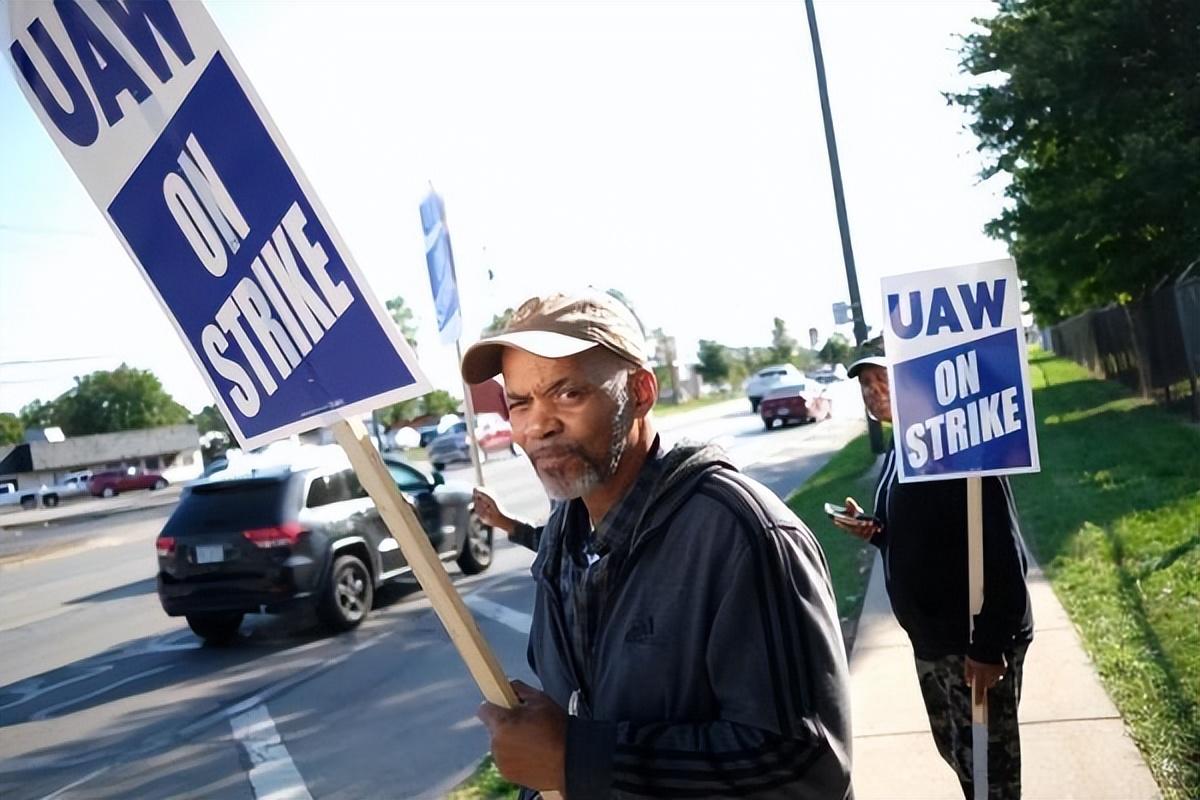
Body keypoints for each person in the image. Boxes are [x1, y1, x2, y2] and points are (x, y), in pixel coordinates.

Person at [461, 290, 853, 800]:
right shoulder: (563, 536)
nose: (538, 425)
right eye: (520, 403)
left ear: (641, 393)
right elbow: (573, 713)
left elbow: (805, 770)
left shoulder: (741, 535)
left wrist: (580, 760)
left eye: (568, 394)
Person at [833, 350, 1033, 800]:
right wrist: (876, 531)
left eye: (882, 380)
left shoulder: (956, 447)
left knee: (989, 775)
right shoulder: (901, 448)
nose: (873, 392)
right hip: (932, 640)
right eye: (865, 384)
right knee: (964, 761)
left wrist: (987, 647)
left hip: (972, 645)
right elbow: (924, 532)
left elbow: (1003, 551)